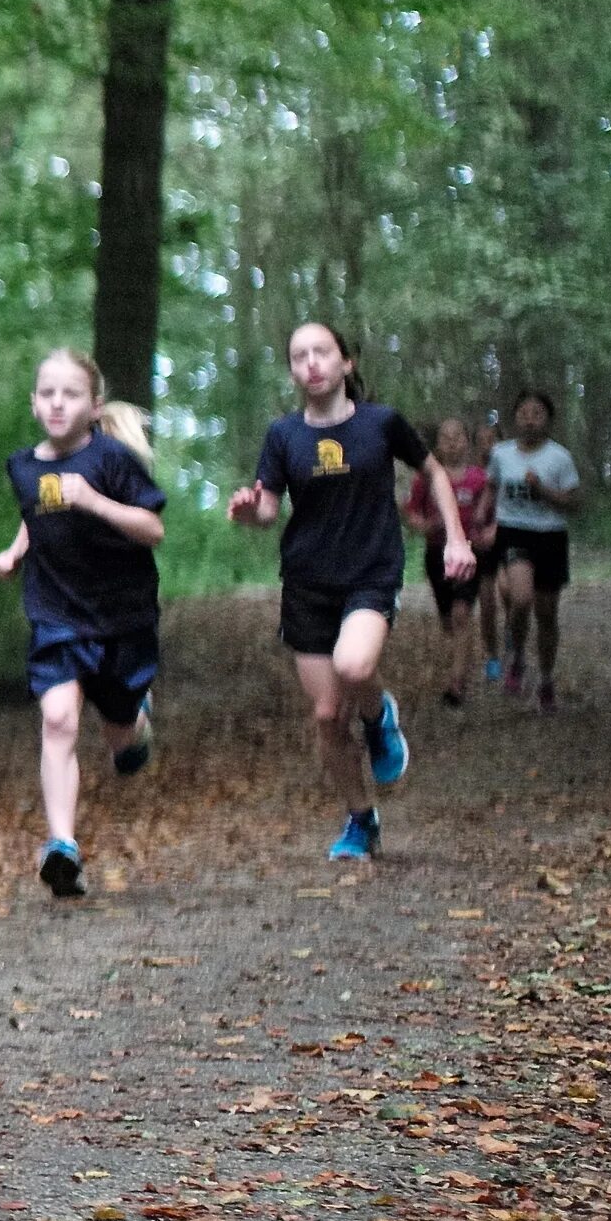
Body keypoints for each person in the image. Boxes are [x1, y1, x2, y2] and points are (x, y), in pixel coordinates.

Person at [229, 323, 474, 861]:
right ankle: (361, 819)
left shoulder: (381, 424)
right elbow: (269, 508)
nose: (311, 363)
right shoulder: (283, 435)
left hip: (370, 571)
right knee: (324, 716)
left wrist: (455, 537)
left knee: (356, 666)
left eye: (322, 352)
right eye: (299, 356)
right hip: (306, 584)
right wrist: (252, 513)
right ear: (292, 371)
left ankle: (379, 716)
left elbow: (433, 473)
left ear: (348, 362)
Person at [0, 350, 166, 901]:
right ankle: (62, 844)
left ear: (94, 407)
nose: (56, 403)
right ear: (33, 403)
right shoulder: (23, 466)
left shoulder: (112, 460)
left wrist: (93, 501)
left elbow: (152, 528)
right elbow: (35, 514)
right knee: (59, 720)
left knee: (121, 738)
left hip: (121, 617)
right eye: (46, 393)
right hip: (56, 614)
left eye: (69, 394)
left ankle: (134, 721)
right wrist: (16, 551)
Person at [488, 390, 582, 714]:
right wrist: (482, 522)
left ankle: (545, 679)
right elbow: (491, 488)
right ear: (514, 418)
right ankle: (515, 654)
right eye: (524, 412)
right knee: (521, 598)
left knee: (546, 615)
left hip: (551, 537)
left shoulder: (560, 458)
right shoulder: (501, 454)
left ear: (548, 420)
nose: (529, 418)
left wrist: (542, 490)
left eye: (537, 413)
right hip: (513, 532)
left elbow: (573, 502)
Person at [402, 417, 495, 706]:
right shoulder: (426, 479)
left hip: (469, 554)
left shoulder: (479, 479)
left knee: (460, 615)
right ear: (437, 445)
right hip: (436, 555)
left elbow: (493, 515)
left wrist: (488, 534)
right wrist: (425, 526)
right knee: (448, 621)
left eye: (458, 436)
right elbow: (411, 514)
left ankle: (457, 684)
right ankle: (463, 653)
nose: (452, 441)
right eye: (445, 437)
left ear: (467, 442)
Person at [472, 417, 506, 683]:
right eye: (481, 441)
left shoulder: (508, 470)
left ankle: (512, 638)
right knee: (486, 601)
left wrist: (497, 527)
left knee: (509, 592)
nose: (487, 446)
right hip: (481, 544)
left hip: (506, 539)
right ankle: (492, 655)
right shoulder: (471, 475)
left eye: (492, 440)